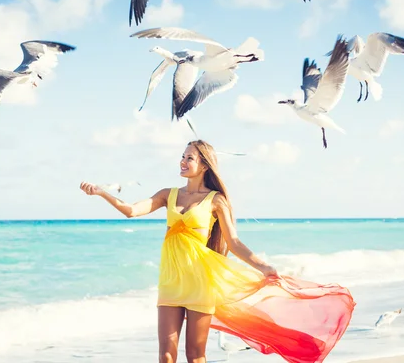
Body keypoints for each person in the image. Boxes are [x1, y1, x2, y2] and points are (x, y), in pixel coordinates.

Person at [80, 140, 355, 363]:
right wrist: (102, 193)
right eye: (183, 156)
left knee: (195, 355)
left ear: (203, 165)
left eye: (189, 158)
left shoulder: (215, 200)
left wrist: (264, 267)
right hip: (171, 282)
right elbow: (131, 210)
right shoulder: (168, 194)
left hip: (201, 283)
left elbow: (234, 243)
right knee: (165, 355)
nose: (183, 161)